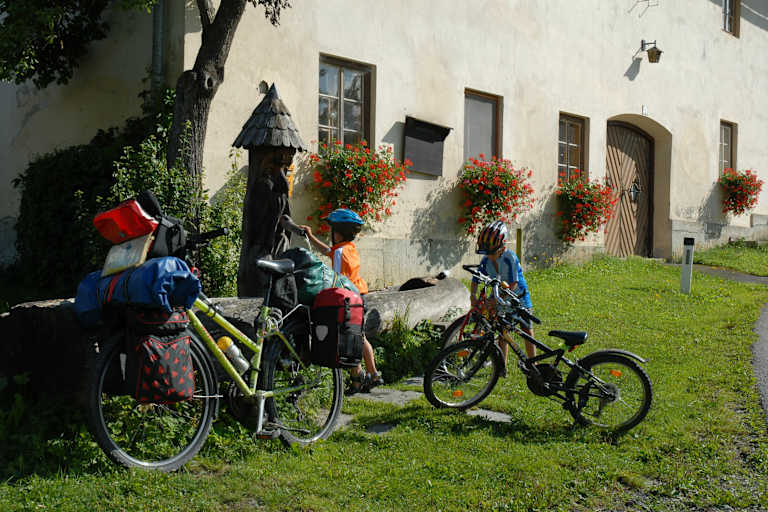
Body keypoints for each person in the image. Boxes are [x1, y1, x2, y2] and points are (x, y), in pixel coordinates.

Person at [299, 208, 383, 393]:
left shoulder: (340, 254)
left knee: (358, 338)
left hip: (347, 298)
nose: (330, 234)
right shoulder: (348, 249)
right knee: (351, 337)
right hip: (357, 296)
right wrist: (311, 237)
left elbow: (336, 279)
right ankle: (357, 381)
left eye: (332, 230)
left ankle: (373, 373)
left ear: (338, 232)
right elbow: (329, 251)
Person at [470, 220, 535, 375]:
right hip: (499, 296)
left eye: (492, 252)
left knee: (526, 330)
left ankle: (534, 364)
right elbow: (476, 279)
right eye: (486, 253)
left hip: (518, 297)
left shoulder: (509, 258)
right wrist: (472, 295)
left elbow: (512, 284)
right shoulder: (486, 260)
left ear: (502, 246)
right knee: (502, 333)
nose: (489, 256)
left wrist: (491, 302)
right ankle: (502, 367)